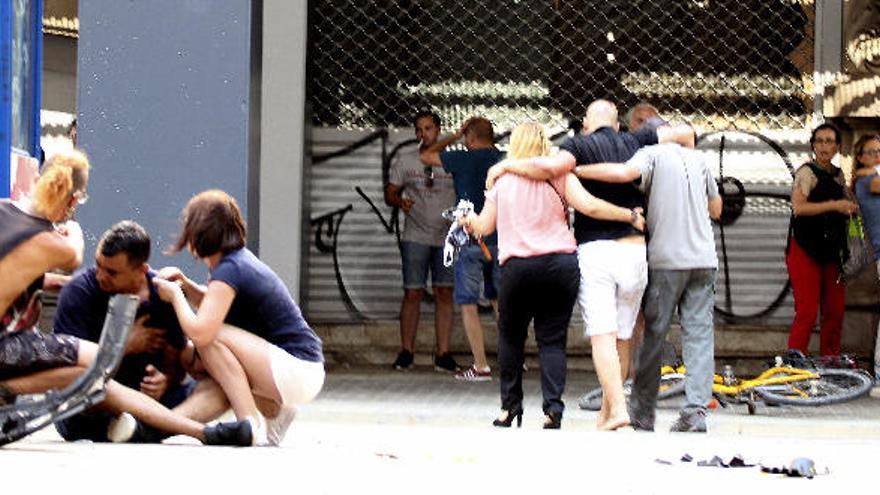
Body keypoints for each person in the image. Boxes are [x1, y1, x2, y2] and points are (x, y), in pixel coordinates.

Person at [0, 151, 249, 446]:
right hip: (9, 347)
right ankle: (6, 387)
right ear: (73, 201)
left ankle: (201, 432)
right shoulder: (53, 241)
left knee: (86, 374)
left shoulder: (4, 211)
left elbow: (15, 274)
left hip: (11, 352)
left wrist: (167, 378)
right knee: (99, 358)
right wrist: (74, 230)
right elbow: (73, 254)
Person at [485, 100, 693, 430]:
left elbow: (551, 170)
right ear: (618, 123)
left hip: (597, 252)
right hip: (635, 251)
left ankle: (620, 410)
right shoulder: (638, 140)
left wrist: (507, 167)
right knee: (623, 336)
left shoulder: (577, 146)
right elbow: (687, 133)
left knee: (602, 336)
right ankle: (607, 413)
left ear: (585, 123)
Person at [462, 122, 645, 429]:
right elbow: (590, 206)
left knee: (511, 338)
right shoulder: (560, 176)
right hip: (559, 266)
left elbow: (484, 227)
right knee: (552, 339)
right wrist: (629, 215)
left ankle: (509, 409)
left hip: (518, 269)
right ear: (545, 146)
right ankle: (553, 410)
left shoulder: (502, 180)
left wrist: (468, 220)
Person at [576, 130, 722, 432]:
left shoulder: (652, 154)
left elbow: (623, 172)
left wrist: (577, 169)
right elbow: (716, 209)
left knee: (653, 336)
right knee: (699, 335)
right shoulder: (700, 159)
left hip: (667, 260)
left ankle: (642, 412)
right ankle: (695, 412)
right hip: (704, 260)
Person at [153, 189, 325, 446]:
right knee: (193, 355)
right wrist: (187, 286)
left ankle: (249, 423)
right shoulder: (234, 264)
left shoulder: (230, 269)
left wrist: (176, 297)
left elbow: (202, 331)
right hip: (298, 370)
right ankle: (275, 413)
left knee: (208, 340)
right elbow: (214, 304)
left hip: (296, 367)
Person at [53, 221, 227, 442]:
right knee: (89, 395)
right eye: (98, 265)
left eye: (112, 272)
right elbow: (68, 372)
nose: (100, 276)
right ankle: (149, 426)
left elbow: (177, 365)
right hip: (93, 407)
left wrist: (165, 380)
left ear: (141, 270)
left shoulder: (163, 294)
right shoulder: (78, 293)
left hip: (152, 403)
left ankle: (151, 429)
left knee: (220, 387)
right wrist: (124, 345)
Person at [421, 117, 504, 381]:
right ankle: (512, 361)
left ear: (470, 138)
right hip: (501, 241)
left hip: (470, 241)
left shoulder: (462, 159)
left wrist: (454, 135)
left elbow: (426, 155)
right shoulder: (504, 160)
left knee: (468, 303)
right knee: (501, 302)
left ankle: (481, 365)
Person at [385, 111, 458, 372]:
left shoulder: (453, 161)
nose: (423, 134)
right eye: (418, 129)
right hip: (415, 235)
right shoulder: (406, 161)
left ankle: (443, 354)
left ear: (438, 129)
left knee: (444, 292)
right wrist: (399, 201)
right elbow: (390, 192)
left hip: (446, 237)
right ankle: (407, 351)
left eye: (428, 128)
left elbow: (467, 190)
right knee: (412, 292)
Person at [786, 123, 858, 359]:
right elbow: (799, 207)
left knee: (835, 311)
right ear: (813, 145)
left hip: (832, 251)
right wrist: (835, 206)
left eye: (829, 141)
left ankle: (830, 362)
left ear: (838, 146)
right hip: (805, 249)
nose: (824, 146)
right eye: (819, 141)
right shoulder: (806, 172)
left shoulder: (838, 175)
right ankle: (795, 363)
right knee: (807, 311)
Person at [850, 133, 880, 396]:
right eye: (870, 152)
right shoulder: (867, 181)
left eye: (879, 152)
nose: (876, 157)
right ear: (860, 158)